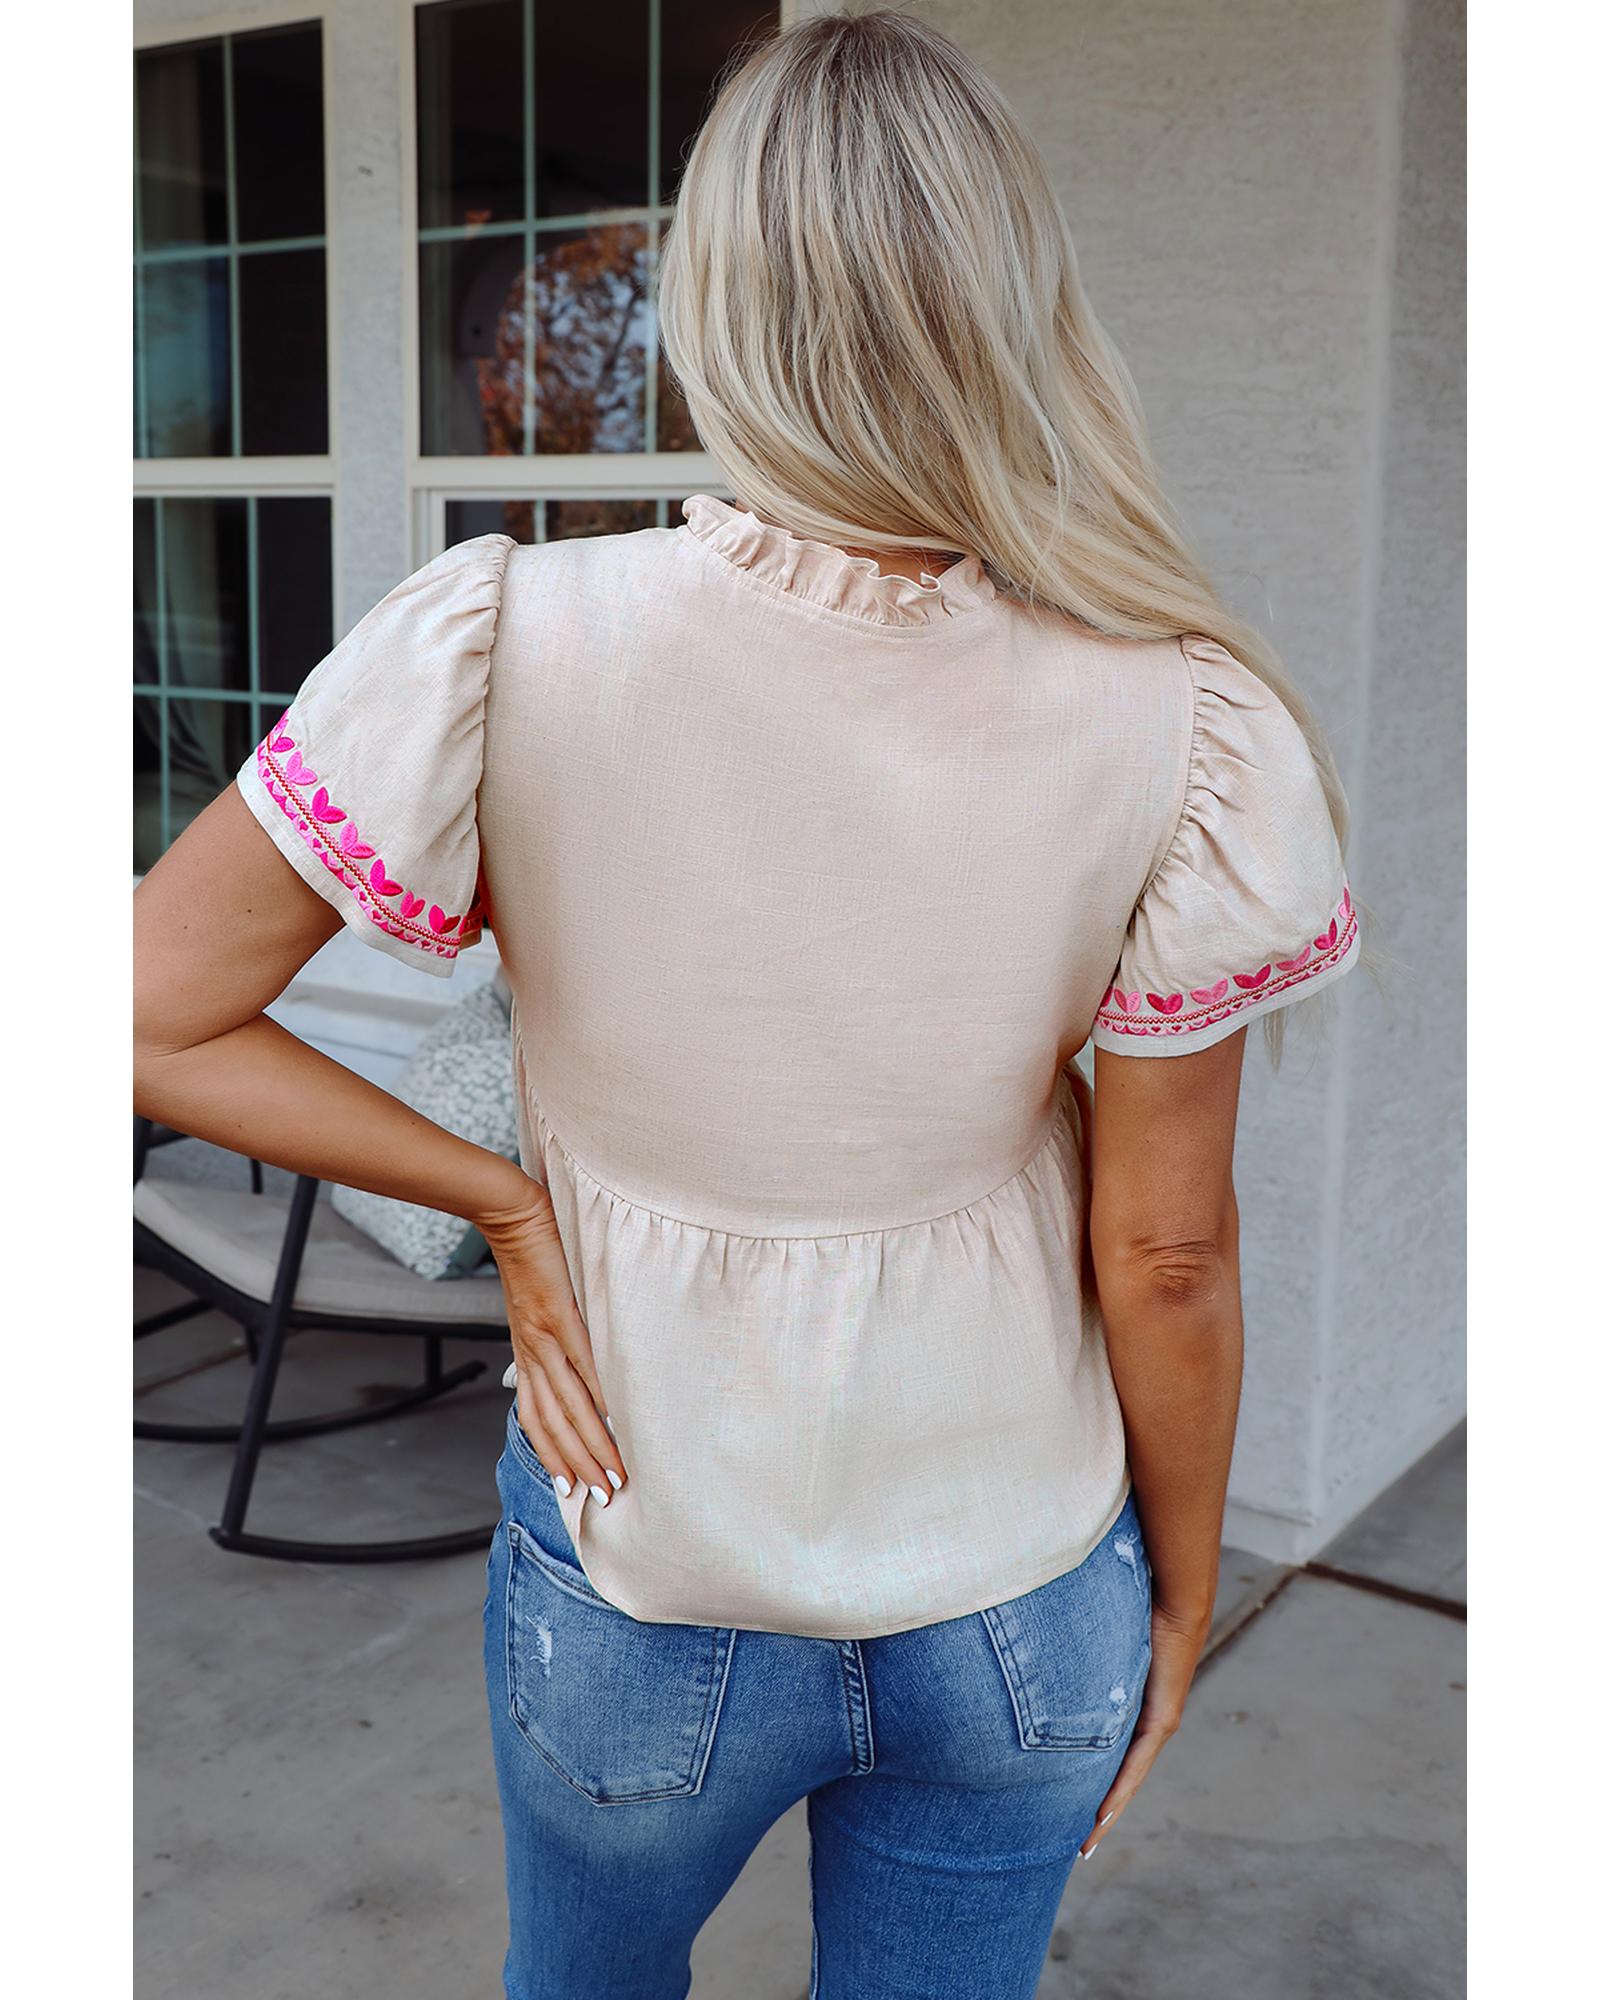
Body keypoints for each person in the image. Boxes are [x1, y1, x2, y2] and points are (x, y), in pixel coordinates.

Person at [132, 9, 1367, 1996]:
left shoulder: (512, 635)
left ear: (713, 303)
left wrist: (504, 1200)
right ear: (1016, 308)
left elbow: (146, 1012)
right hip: (1019, 1591)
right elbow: (1165, 1250)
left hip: (645, 1561)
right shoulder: (1182, 716)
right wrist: (1179, 1584)